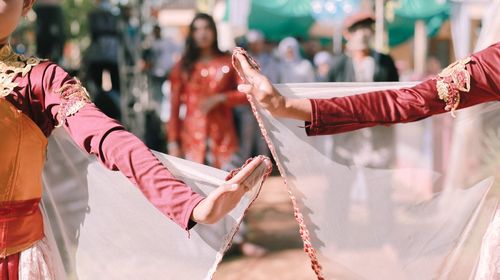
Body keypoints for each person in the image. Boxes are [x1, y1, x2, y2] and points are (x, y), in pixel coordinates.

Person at [0, 1, 267, 278]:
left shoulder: (39, 81)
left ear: (26, 4)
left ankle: (238, 239)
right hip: (192, 133)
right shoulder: (185, 66)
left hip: (14, 259)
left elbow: (110, 139)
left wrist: (189, 205)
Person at [168, 13, 247, 169]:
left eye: (206, 28)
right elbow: (174, 106)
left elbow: (246, 93)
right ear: (192, 34)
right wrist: (173, 140)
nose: (202, 33)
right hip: (191, 138)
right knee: (195, 191)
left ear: (214, 31)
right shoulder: (183, 66)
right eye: (197, 30)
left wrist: (221, 98)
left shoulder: (229, 61)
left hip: (224, 138)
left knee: (228, 187)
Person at [328, 12, 399, 83]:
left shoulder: (385, 62)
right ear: (346, 34)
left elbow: (393, 90)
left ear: (373, 32)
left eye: (367, 27)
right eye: (356, 29)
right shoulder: (338, 64)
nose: (362, 34)